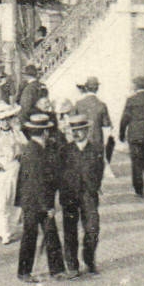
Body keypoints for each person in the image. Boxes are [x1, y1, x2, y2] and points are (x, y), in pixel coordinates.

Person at [15, 111, 66, 283]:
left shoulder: (35, 148)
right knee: (32, 234)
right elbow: (39, 183)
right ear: (44, 132)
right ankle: (25, 272)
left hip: (32, 200)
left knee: (48, 234)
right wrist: (48, 207)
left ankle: (56, 270)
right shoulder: (35, 152)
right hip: (36, 201)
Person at [57, 110, 106, 275]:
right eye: (73, 130)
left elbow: (100, 170)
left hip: (88, 195)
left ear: (87, 131)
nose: (76, 133)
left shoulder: (96, 150)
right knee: (70, 231)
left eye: (80, 130)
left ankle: (89, 260)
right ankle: (72, 266)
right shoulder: (65, 150)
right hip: (70, 195)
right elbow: (59, 172)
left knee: (92, 229)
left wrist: (94, 186)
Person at [0, 101, 26, 246]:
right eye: (2, 119)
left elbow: (24, 149)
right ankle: (2, 230)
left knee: (12, 199)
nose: (5, 122)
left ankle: (10, 229)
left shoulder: (17, 134)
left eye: (7, 118)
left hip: (14, 167)